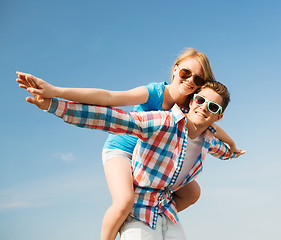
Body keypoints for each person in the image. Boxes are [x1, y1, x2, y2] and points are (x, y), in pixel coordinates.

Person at [16, 48, 243, 240]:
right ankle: (119, 229)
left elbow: (210, 126)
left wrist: (231, 144)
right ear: (175, 69)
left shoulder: (193, 104)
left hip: (151, 159)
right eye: (186, 72)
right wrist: (55, 92)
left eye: (198, 79)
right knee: (124, 201)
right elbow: (109, 98)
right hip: (123, 148)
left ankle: (153, 214)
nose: (190, 81)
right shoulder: (155, 92)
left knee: (192, 193)